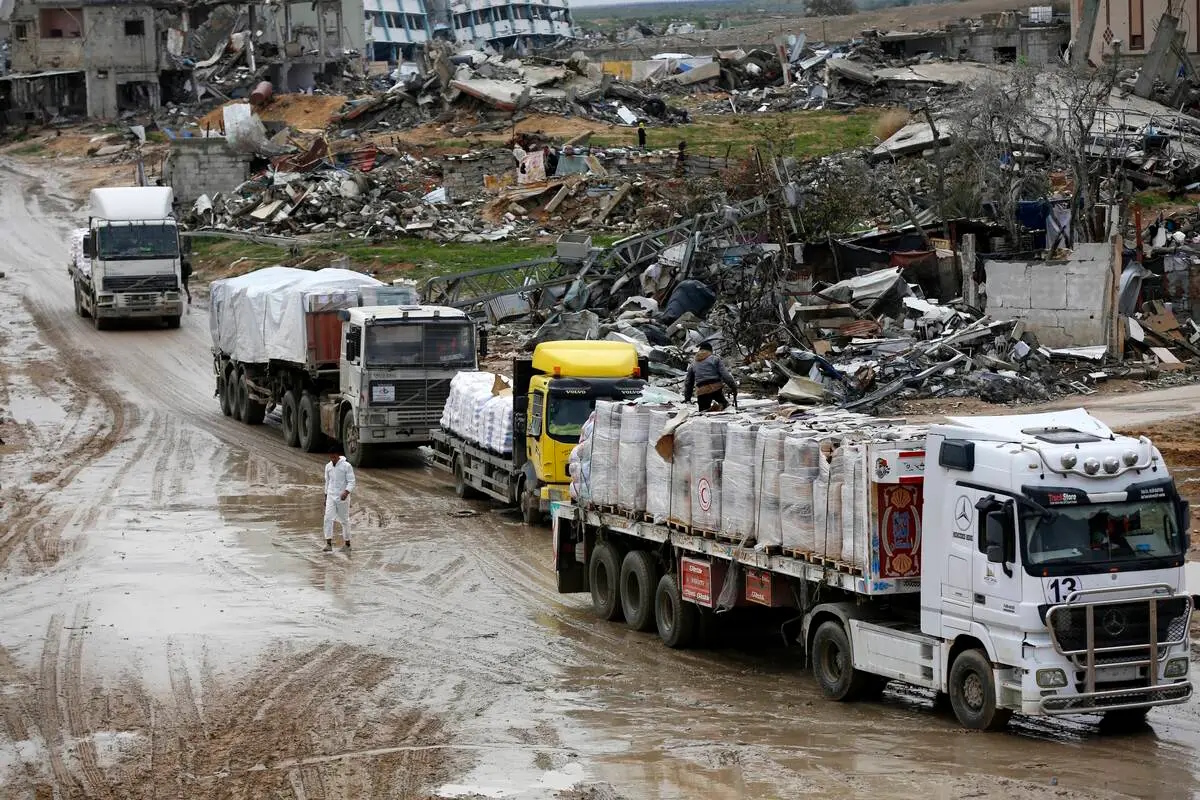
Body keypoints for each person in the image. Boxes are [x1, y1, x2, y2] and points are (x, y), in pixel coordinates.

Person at [682, 342, 737, 412]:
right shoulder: (715, 359)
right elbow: (725, 375)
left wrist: (687, 398)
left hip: (702, 390)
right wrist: (733, 387)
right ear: (710, 351)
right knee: (726, 407)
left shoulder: (693, 364)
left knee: (703, 413)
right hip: (716, 388)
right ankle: (722, 406)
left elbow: (689, 382)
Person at [323, 445, 356, 551]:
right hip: (331, 496)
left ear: (338, 455)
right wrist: (325, 496)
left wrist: (346, 492)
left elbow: (352, 481)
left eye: (334, 457)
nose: (332, 459)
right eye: (330, 457)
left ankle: (347, 544)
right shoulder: (328, 467)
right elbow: (327, 482)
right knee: (328, 518)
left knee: (344, 520)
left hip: (342, 497)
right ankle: (328, 543)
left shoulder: (347, 466)